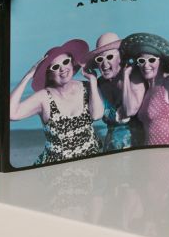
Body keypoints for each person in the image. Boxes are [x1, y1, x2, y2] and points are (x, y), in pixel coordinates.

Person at [10, 38, 103, 166]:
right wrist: (28, 76)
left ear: (72, 63)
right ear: (49, 74)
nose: (62, 69)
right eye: (55, 67)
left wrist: (93, 80)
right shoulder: (44, 97)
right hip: (57, 167)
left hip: (91, 161)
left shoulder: (87, 87)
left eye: (66, 62)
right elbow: (11, 114)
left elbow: (97, 115)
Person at [120, 32, 169, 146]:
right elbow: (128, 111)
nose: (146, 65)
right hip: (150, 152)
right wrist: (126, 76)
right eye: (141, 61)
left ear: (161, 62)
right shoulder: (147, 90)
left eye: (151, 60)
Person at [84, 32, 144, 150]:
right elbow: (96, 115)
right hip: (111, 149)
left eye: (109, 57)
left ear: (121, 57)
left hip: (137, 150)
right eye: (100, 59)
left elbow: (130, 110)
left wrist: (126, 77)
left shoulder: (135, 77)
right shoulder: (100, 84)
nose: (104, 64)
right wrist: (92, 80)